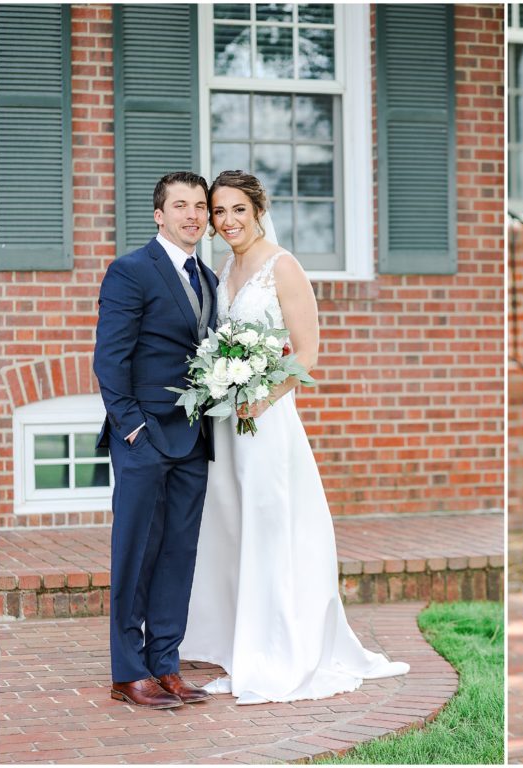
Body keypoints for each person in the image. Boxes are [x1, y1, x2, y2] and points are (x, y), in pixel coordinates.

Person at [179, 170, 409, 704]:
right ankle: (242, 645)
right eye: (218, 211)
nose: (227, 220)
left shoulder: (283, 267)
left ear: (259, 210)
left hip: (265, 422)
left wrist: (262, 395)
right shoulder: (222, 270)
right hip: (227, 424)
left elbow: (306, 352)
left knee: (271, 527)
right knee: (234, 530)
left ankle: (280, 648)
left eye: (238, 209)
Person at [94, 171, 218, 709]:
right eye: (181, 205)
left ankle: (165, 663)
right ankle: (128, 671)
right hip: (144, 436)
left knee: (178, 553)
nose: (193, 214)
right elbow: (110, 358)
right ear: (159, 214)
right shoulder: (130, 271)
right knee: (135, 553)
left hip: (193, 439)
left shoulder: (208, 277)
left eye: (200, 206)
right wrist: (132, 428)